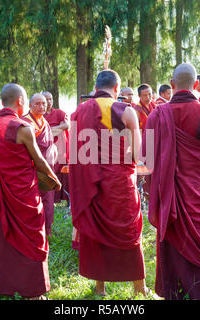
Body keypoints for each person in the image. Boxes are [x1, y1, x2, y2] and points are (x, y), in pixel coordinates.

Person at [143, 63, 200, 300]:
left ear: (172, 83)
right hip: (197, 188)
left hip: (169, 192)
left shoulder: (157, 114)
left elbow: (146, 157)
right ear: (195, 85)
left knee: (172, 241)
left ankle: (174, 293)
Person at [69, 70, 149, 296]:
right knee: (129, 231)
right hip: (119, 183)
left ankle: (100, 287)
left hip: (90, 185)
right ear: (117, 89)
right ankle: (139, 287)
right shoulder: (126, 111)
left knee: (96, 232)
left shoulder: (78, 112)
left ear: (95, 88)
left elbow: (75, 154)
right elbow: (137, 153)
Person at [0, 83, 61, 299]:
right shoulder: (22, 127)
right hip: (25, 193)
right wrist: (54, 179)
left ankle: (10, 284)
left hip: (4, 191)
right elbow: (40, 160)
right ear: (21, 102)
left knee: (9, 237)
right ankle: (34, 292)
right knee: (33, 238)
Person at [23, 93, 58, 236]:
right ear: (30, 106)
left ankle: (47, 229)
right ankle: (34, 230)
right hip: (32, 168)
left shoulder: (43, 121)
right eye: (37, 103)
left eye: (43, 103)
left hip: (47, 167)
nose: (42, 106)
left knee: (48, 199)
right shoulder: (25, 122)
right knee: (32, 200)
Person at [42, 91, 70, 204]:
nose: (48, 102)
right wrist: (56, 130)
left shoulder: (59, 113)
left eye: (50, 99)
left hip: (60, 148)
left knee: (62, 172)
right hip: (45, 148)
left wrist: (47, 131)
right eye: (46, 99)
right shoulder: (38, 114)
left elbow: (66, 125)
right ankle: (50, 199)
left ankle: (64, 199)